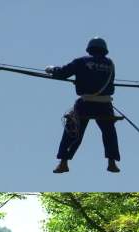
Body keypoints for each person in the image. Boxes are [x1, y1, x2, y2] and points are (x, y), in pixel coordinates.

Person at [46, 37, 121, 174]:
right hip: (104, 104)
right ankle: (112, 162)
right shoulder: (110, 64)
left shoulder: (81, 61)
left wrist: (52, 69)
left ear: (89, 49)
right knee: (109, 131)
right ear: (104, 50)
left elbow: (63, 73)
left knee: (73, 128)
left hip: (86, 103)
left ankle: (63, 163)